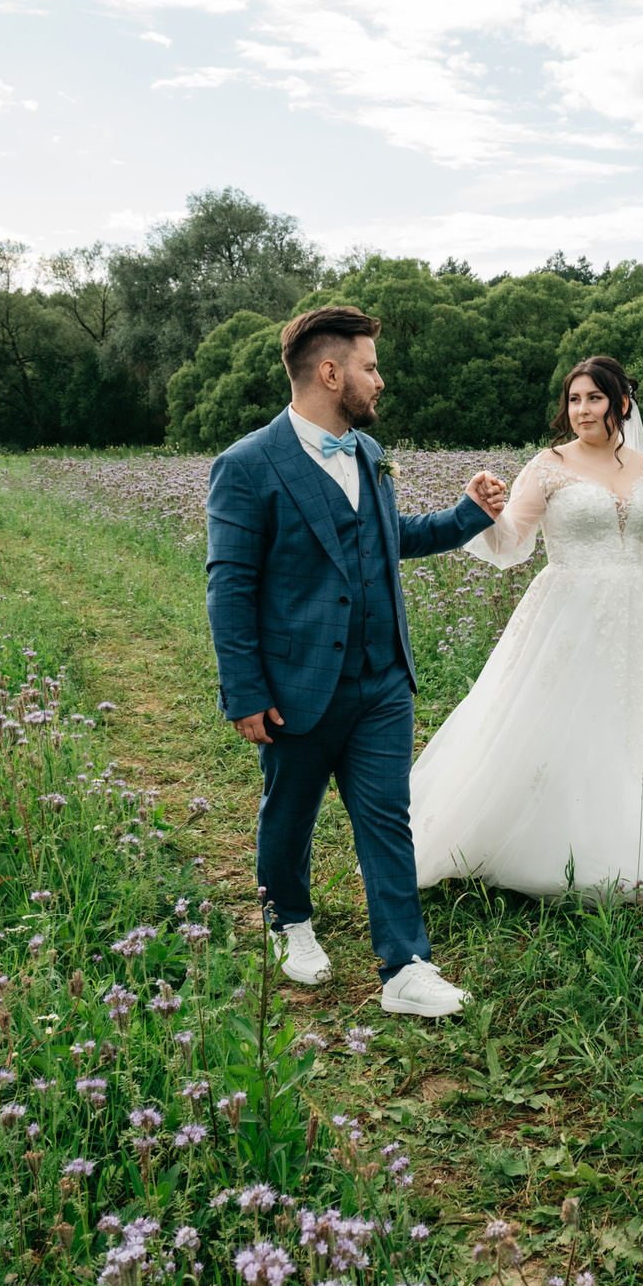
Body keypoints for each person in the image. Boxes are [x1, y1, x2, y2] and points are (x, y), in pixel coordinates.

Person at [205, 304, 510, 1018]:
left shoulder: (369, 453)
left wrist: (468, 513)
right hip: (295, 685)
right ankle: (288, 921)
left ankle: (405, 966)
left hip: (382, 679)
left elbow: (384, 537)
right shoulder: (246, 465)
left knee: (387, 818)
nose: (381, 380)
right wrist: (244, 691)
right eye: (370, 367)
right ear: (330, 372)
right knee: (291, 812)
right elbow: (230, 585)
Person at [411, 355, 643, 920]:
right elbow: (511, 541)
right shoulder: (548, 466)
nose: (582, 410)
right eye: (574, 400)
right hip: (569, 613)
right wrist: (484, 510)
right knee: (557, 721)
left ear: (620, 403)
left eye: (594, 398)